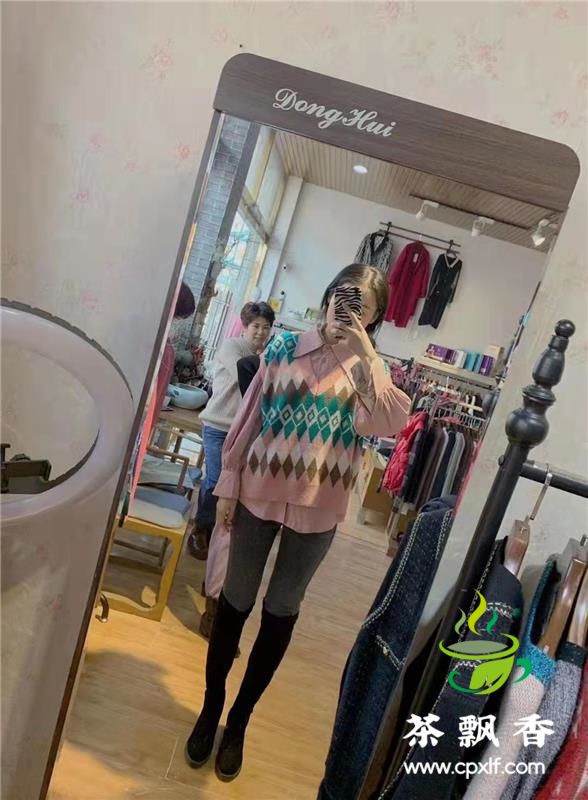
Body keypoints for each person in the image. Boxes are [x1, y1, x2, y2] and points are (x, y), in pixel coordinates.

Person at [185, 264, 411, 781]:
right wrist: (228, 484)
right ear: (328, 296)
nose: (345, 309)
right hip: (257, 494)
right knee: (234, 602)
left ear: (374, 318)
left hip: (318, 509)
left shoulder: (367, 370)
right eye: (341, 296)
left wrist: (367, 355)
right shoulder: (284, 348)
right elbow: (249, 418)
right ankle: (211, 707)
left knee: (282, 611)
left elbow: (391, 422)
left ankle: (239, 722)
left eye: (361, 306)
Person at [188, 301, 275, 560]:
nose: (260, 332)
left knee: (236, 486)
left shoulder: (266, 356)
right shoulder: (231, 347)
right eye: (256, 326)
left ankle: (220, 535)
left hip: (244, 432)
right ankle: (201, 527)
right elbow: (245, 374)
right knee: (216, 480)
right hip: (217, 426)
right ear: (245, 326)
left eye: (266, 327)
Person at [198, 350, 265, 640]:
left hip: (263, 475)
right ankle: (212, 614)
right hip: (243, 465)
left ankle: (215, 605)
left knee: (235, 547)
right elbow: (246, 364)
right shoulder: (275, 367)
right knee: (226, 537)